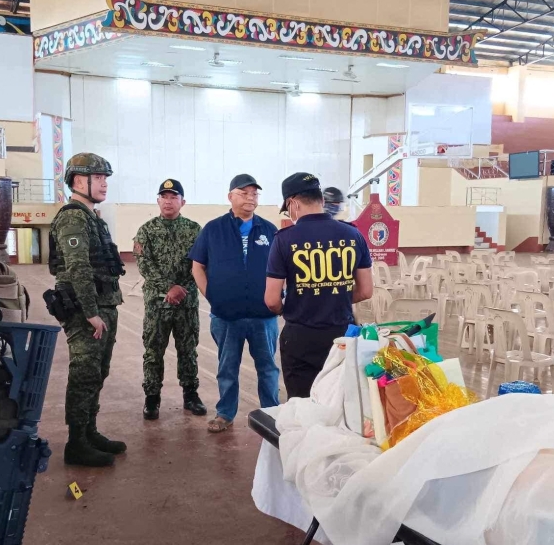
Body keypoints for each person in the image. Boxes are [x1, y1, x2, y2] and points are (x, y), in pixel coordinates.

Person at [48, 153, 127, 467]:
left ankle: (89, 431)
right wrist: (91, 312)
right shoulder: (73, 217)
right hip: (86, 311)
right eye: (99, 177)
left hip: (104, 305)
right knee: (83, 374)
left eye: (106, 177)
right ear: (79, 181)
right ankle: (76, 443)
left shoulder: (93, 216)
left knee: (97, 372)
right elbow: (78, 268)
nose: (105, 183)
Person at [265, 172, 374, 399]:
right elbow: (365, 291)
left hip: (301, 337)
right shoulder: (353, 234)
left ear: (293, 203)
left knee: (303, 406)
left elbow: (271, 300)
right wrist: (333, 297)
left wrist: (291, 306)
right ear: (322, 200)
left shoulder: (284, 239)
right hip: (342, 336)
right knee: (341, 403)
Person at [189, 173, 279, 433]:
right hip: (226, 316)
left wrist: (278, 298)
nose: (250, 198)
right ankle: (225, 413)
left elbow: (282, 269)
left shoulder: (269, 230)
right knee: (227, 367)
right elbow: (197, 266)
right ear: (230, 197)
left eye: (254, 193)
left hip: (263, 316)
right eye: (244, 193)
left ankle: (271, 412)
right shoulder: (214, 229)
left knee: (268, 368)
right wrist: (212, 296)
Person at [134, 179, 207, 419]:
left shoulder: (195, 230)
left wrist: (181, 289)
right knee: (153, 352)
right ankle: (152, 399)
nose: (168, 201)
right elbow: (144, 265)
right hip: (157, 304)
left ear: (182, 202)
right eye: (164, 196)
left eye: (173, 197)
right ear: (158, 201)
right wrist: (169, 287)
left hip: (186, 303)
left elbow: (200, 264)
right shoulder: (146, 230)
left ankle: (191, 395)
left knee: (188, 350)